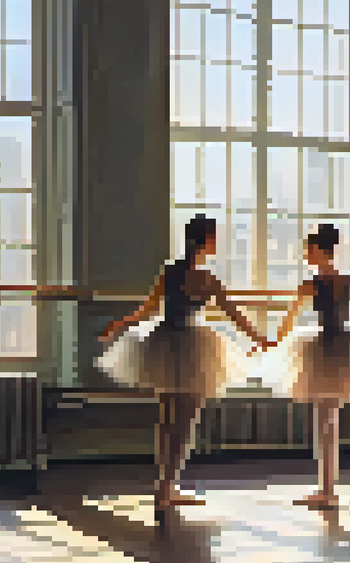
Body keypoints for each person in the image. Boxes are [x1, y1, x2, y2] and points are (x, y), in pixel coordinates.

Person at [97, 215, 270, 507]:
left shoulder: (171, 271)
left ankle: (164, 485)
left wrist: (118, 325)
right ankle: (168, 487)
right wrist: (260, 339)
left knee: (167, 419)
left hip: (164, 341)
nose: (217, 242)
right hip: (192, 347)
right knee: (185, 420)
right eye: (214, 237)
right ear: (207, 241)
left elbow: (148, 309)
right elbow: (234, 315)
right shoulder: (206, 278)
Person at [255, 224, 350, 508]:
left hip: (328, 349)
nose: (305, 254)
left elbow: (288, 322)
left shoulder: (311, 284)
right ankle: (327, 488)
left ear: (319, 250)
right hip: (340, 348)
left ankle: (326, 490)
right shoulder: (345, 281)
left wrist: (271, 343)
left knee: (325, 420)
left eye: (308, 249)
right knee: (329, 419)